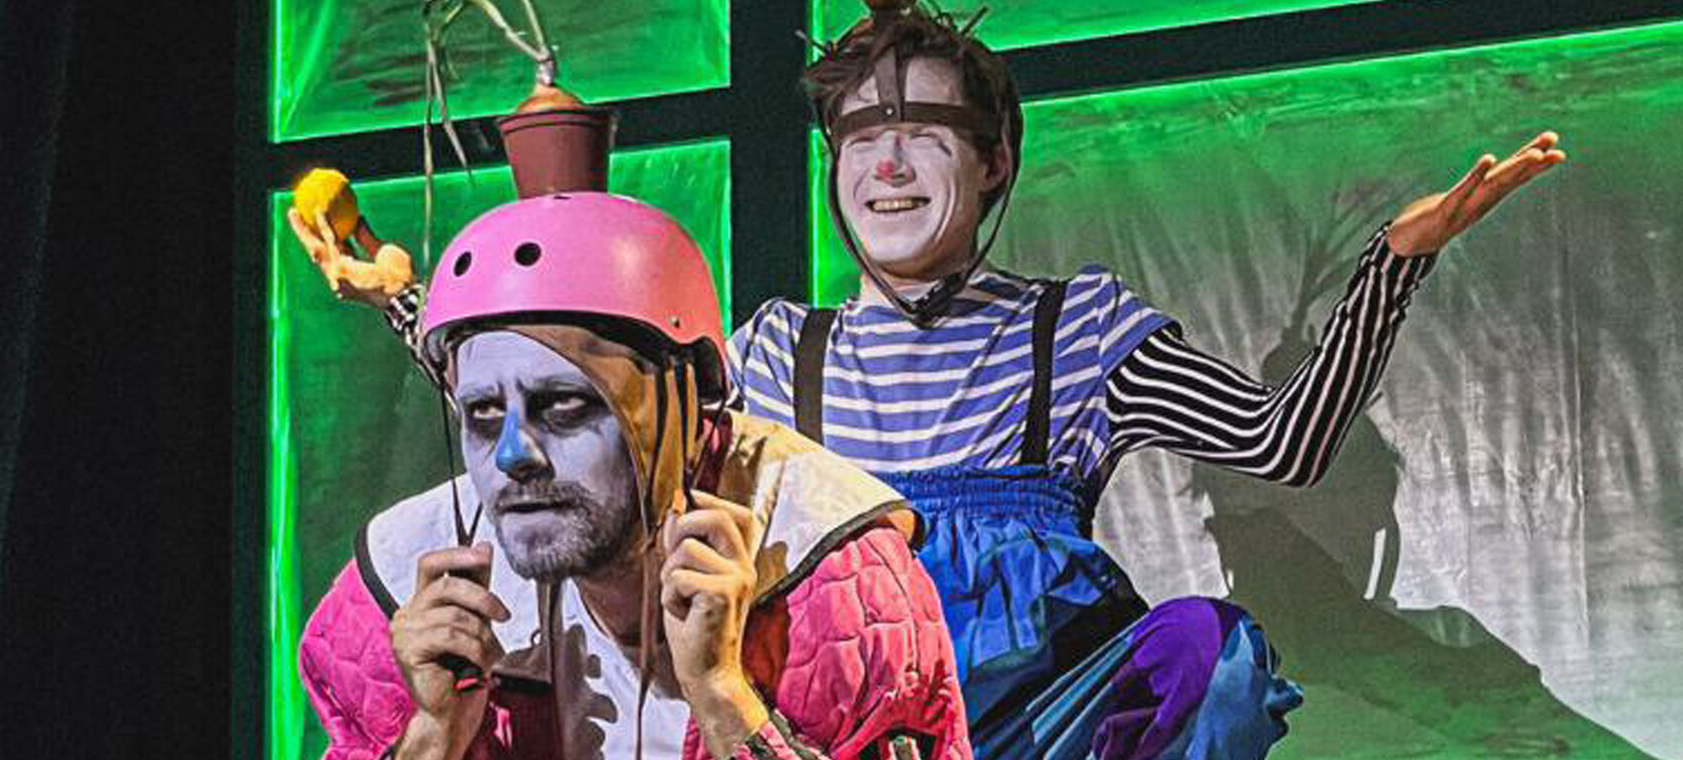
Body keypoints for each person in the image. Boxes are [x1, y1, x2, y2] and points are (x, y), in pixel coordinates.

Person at [291, 5, 1564, 757]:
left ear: (994, 159)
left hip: (1027, 725)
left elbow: (1282, 443)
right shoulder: (778, 350)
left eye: (922, 133)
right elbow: (587, 403)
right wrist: (403, 293)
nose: (887, 167)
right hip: (849, 723)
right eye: (860, 137)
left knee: (1206, 651)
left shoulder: (1074, 334)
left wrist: (1393, 264)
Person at [297, 190, 972, 759]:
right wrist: (432, 735)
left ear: (691, 407)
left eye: (564, 405)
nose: (511, 455)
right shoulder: (396, 599)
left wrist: (725, 700)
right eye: (483, 413)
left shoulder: (834, 591)